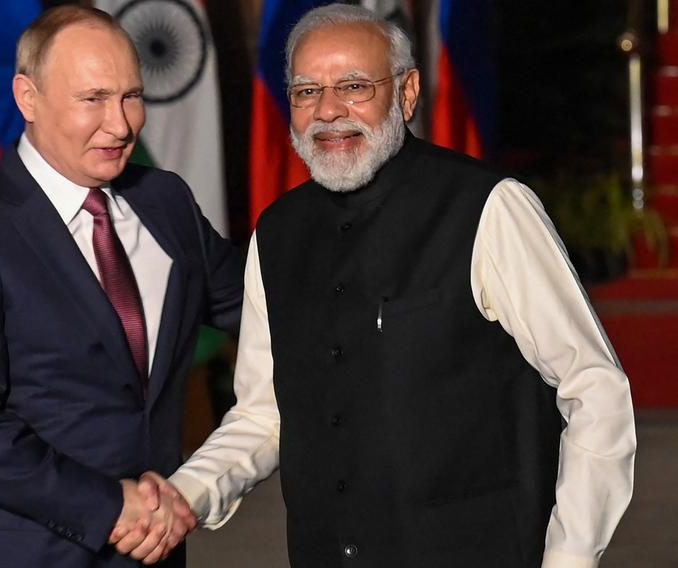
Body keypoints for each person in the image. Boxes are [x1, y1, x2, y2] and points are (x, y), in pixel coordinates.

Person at [156, 4, 636, 567]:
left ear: (407, 94)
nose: (329, 111)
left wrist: (569, 557)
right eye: (307, 91)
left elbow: (596, 388)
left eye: (355, 86)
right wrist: (182, 496)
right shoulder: (276, 232)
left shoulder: (488, 208)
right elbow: (264, 414)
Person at [0, 6, 242, 567]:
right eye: (94, 99)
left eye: (132, 96)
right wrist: (111, 505)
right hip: (12, 553)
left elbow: (267, 309)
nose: (120, 124)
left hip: (149, 553)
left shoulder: (167, 203)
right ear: (27, 97)